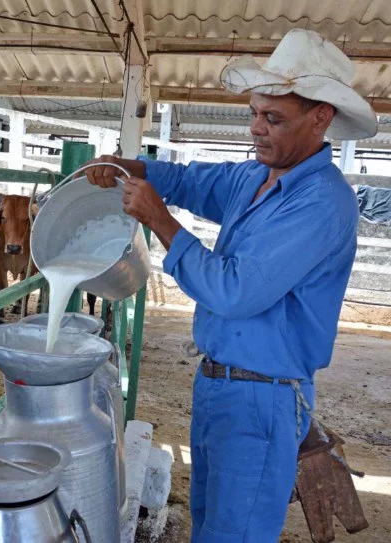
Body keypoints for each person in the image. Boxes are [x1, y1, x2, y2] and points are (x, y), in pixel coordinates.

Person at [82, 29, 378, 542]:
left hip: (262, 399)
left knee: (233, 535)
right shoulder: (254, 178)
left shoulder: (323, 203)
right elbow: (193, 180)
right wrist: (131, 167)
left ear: (321, 118)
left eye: (273, 118)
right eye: (254, 113)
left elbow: (234, 291)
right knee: (211, 524)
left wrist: (160, 221)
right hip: (219, 384)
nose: (256, 130)